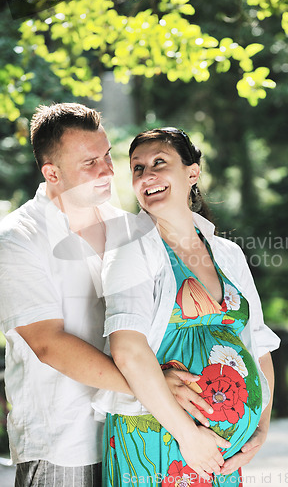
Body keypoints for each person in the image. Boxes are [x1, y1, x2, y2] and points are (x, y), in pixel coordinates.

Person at [0, 106, 212, 487]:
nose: (107, 171)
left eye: (106, 156)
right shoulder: (17, 239)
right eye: (89, 163)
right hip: (66, 444)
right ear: (52, 173)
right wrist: (153, 386)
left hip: (142, 434)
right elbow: (48, 343)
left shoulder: (134, 229)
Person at [94, 127, 280, 486]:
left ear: (191, 173)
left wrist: (260, 426)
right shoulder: (132, 250)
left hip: (219, 453)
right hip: (158, 436)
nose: (147, 176)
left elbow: (260, 343)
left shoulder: (228, 254)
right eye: (137, 168)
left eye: (159, 163)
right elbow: (129, 352)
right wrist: (188, 435)